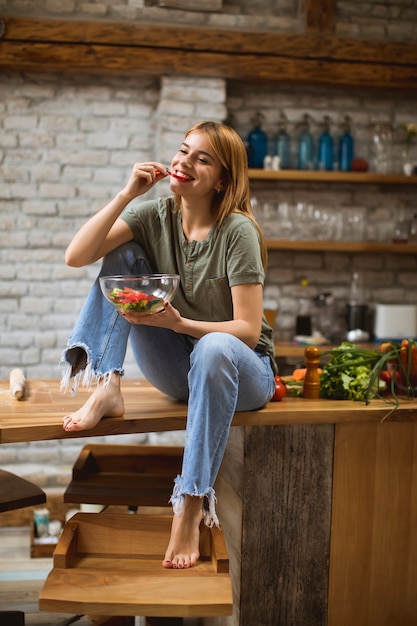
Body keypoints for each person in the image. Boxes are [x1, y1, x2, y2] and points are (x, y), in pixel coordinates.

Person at [60, 120, 278, 569]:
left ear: (222, 180)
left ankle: (190, 507)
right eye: (183, 151)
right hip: (180, 370)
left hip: (243, 371)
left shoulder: (238, 232)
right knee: (119, 257)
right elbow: (76, 256)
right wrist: (126, 194)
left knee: (215, 346)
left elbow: (248, 331)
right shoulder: (153, 215)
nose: (184, 162)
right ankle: (108, 383)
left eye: (203, 158)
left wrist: (179, 323)